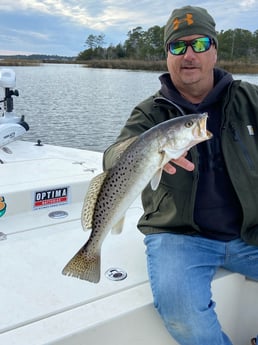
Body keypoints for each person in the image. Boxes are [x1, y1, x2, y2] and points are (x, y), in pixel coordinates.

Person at [103, 5, 258, 345]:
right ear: (167, 56)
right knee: (184, 314)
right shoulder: (150, 111)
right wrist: (141, 151)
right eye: (178, 46)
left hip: (251, 232)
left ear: (214, 50)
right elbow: (112, 156)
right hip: (180, 237)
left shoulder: (248, 97)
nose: (189, 55)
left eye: (199, 44)